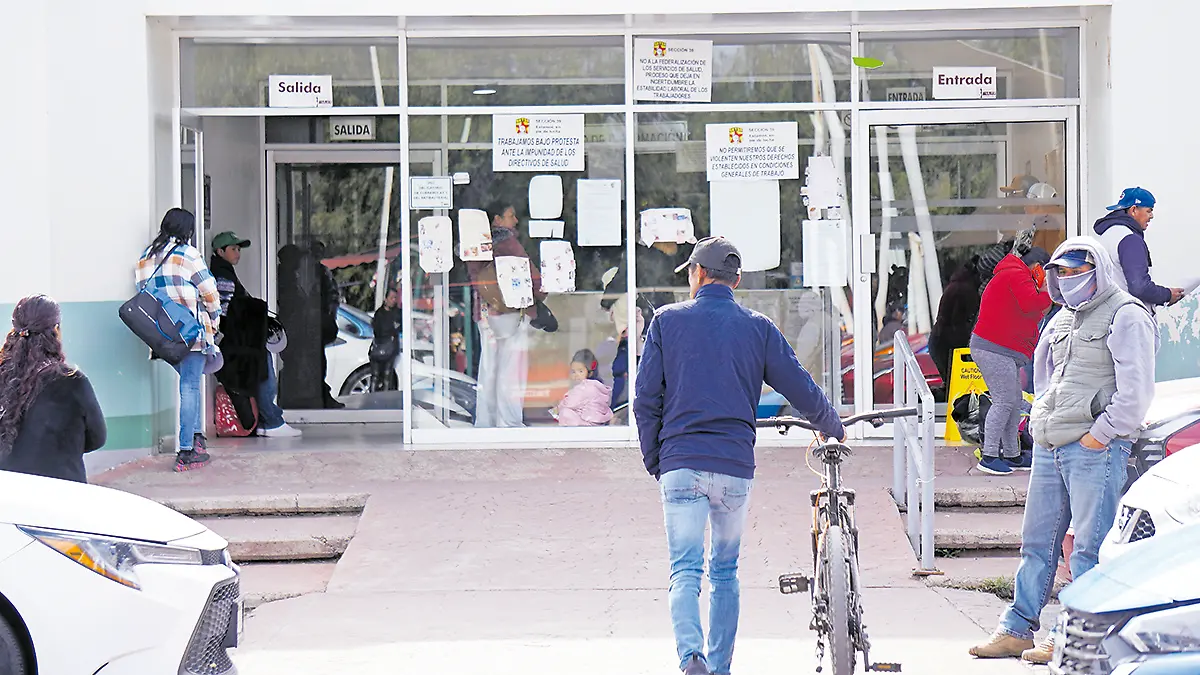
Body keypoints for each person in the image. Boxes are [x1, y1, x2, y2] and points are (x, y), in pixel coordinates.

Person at [634, 236, 845, 675]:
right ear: (737, 279)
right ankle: (720, 667)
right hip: (733, 468)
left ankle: (691, 657)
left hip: (681, 464)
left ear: (698, 274)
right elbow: (798, 385)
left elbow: (644, 399)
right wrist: (830, 422)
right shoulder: (758, 328)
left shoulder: (665, 321)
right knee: (724, 573)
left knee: (684, 572)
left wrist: (657, 458)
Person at [969, 238, 1159, 665]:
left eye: (1078, 270)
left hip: (1094, 449)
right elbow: (1043, 378)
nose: (1070, 279)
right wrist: (1039, 424)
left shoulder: (1127, 315)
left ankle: (1072, 636)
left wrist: (1101, 433)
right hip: (1051, 446)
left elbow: (1136, 390)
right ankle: (1016, 629)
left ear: (1098, 269)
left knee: (1089, 548)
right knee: (1037, 544)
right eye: (1063, 272)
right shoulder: (1060, 320)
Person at [135, 208, 221, 471]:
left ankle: (197, 438)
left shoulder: (147, 257)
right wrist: (215, 318)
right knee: (191, 387)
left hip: (163, 336)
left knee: (188, 383)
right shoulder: (188, 254)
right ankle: (186, 451)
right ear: (188, 230)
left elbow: (142, 292)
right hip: (190, 332)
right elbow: (210, 292)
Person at [0, 295, 106, 483]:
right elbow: (97, 438)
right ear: (56, 330)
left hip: (10, 495)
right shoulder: (73, 381)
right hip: (62, 492)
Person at [970, 240, 1052, 475]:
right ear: (1037, 266)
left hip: (1000, 349)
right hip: (993, 349)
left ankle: (1012, 454)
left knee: (1013, 401)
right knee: (1005, 401)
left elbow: (1033, 311)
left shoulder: (1014, 275)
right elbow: (1031, 305)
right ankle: (989, 456)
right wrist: (1048, 291)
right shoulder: (1017, 275)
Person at [209, 231, 301, 437]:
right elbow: (222, 313)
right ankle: (271, 422)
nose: (237, 253)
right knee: (264, 377)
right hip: (240, 343)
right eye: (233, 249)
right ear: (220, 251)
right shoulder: (223, 277)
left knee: (260, 376)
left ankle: (267, 421)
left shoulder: (224, 272)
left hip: (240, 342)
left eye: (239, 249)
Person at [466, 201, 546, 428]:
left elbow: (474, 279)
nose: (516, 220)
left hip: (486, 313)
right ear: (497, 220)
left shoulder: (477, 246)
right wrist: (539, 296)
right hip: (513, 313)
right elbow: (535, 278)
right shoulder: (508, 242)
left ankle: (485, 421)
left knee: (489, 369)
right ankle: (509, 421)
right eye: (511, 215)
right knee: (512, 370)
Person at [1093, 187, 1185, 309]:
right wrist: (1167, 295)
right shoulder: (1129, 239)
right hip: (1128, 315)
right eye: (1149, 211)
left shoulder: (1107, 235)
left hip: (1108, 311)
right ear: (1134, 210)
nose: (1151, 216)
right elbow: (1139, 287)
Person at [928, 257, 982, 382]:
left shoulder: (955, 286)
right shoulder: (966, 290)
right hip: (949, 342)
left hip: (941, 339)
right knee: (956, 382)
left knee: (950, 382)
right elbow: (958, 321)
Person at [553, 349, 613, 427]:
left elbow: (570, 403)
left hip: (586, 426)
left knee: (565, 412)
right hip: (597, 424)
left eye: (580, 371)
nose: (576, 375)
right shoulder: (597, 386)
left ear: (590, 372)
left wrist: (556, 409)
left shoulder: (584, 388)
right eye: (573, 372)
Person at [370, 288, 402, 392]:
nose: (393, 300)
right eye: (391, 298)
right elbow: (378, 329)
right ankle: (372, 396)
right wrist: (392, 329)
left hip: (390, 348)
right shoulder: (379, 313)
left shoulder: (397, 313)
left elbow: (399, 327)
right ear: (386, 299)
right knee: (375, 375)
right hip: (379, 346)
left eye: (395, 298)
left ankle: (385, 395)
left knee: (388, 375)